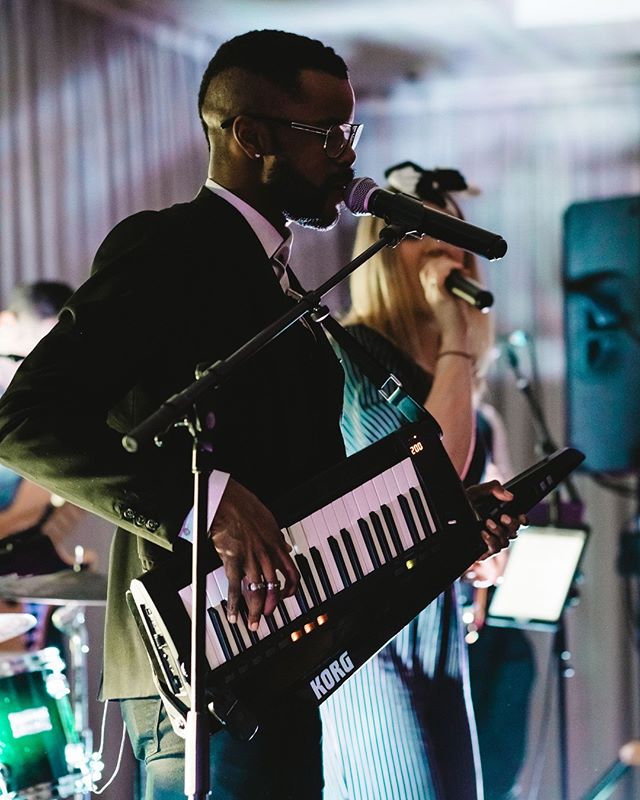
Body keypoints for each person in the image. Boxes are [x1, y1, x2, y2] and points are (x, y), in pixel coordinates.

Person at [0, 34, 519, 800]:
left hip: (279, 660)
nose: (349, 156)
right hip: (199, 663)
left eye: (353, 134)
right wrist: (204, 504)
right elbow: (25, 422)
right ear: (251, 136)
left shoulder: (287, 295)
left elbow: (307, 499)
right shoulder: (168, 249)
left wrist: (438, 517)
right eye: (330, 134)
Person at [321, 162, 521, 800]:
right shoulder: (354, 355)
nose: (447, 252)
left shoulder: (456, 379)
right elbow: (429, 472)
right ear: (384, 251)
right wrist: (457, 340)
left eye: (456, 238)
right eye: (426, 237)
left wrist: (489, 553)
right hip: (369, 642)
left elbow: (460, 502)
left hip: (441, 639)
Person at [0, 281, 86, 650]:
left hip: (28, 599)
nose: (28, 380)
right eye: (20, 360)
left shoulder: (55, 412)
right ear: (5, 326)